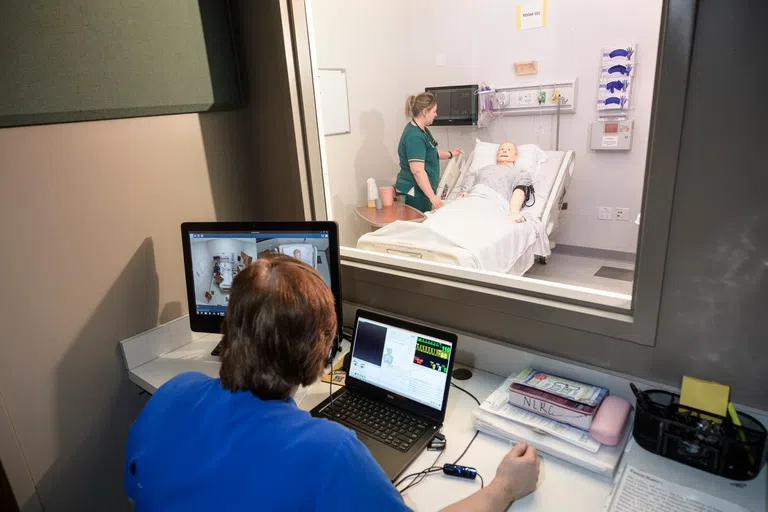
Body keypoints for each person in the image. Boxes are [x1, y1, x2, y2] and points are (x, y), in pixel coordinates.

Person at [125, 254, 540, 511]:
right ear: (321, 354)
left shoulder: (172, 394)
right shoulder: (331, 451)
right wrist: (502, 488)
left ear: (230, 326)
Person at [395, 92, 463, 213]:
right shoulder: (414, 136)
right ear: (425, 112)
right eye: (434, 111)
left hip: (421, 191)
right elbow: (417, 170)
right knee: (416, 228)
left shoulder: (422, 130)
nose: (436, 115)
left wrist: (450, 154)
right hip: (414, 192)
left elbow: (430, 152)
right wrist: (432, 196)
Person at [454, 142, 534, 223]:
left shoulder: (520, 172)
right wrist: (457, 202)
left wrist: (514, 212)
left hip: (495, 202)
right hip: (473, 198)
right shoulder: (480, 170)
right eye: (501, 149)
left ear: (516, 156)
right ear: (497, 155)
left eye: (508, 150)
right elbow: (465, 191)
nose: (504, 151)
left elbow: (519, 191)